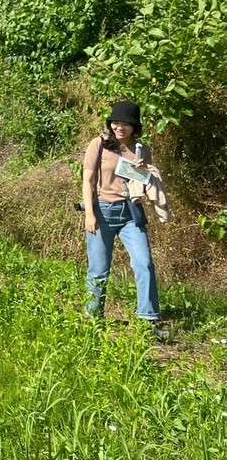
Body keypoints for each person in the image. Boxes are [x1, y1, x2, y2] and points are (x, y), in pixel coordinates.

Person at [82, 100, 168, 340]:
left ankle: (148, 320)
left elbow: (143, 183)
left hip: (131, 212)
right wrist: (90, 213)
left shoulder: (142, 149)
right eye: (116, 123)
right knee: (99, 270)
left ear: (134, 126)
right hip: (102, 212)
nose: (120, 128)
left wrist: (144, 169)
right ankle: (93, 319)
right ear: (110, 124)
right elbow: (87, 180)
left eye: (126, 124)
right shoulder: (98, 144)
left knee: (144, 263)